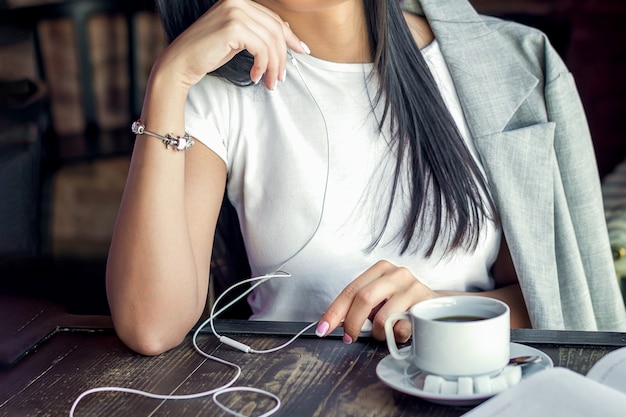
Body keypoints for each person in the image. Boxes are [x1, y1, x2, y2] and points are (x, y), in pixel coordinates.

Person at [106, 0, 626, 356]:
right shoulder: (216, 91)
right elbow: (150, 325)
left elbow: (554, 306)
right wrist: (169, 80)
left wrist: (441, 312)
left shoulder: (508, 67)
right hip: (285, 391)